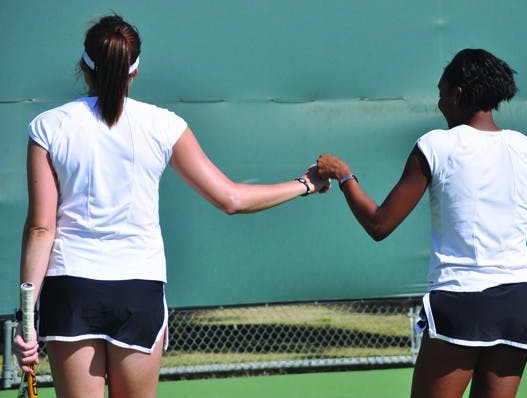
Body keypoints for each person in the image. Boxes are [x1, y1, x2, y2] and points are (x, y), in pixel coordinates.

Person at [13, 14, 329, 398]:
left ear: (84, 65)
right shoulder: (164, 125)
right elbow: (230, 198)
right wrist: (305, 184)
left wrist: (25, 317)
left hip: (71, 290)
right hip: (138, 292)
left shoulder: (49, 126)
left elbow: (41, 229)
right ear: (136, 70)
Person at [317, 48, 527, 398]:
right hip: (517, 309)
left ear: (458, 94)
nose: (439, 104)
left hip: (460, 305)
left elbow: (379, 224)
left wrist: (344, 176)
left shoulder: (435, 146)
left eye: (440, 95)